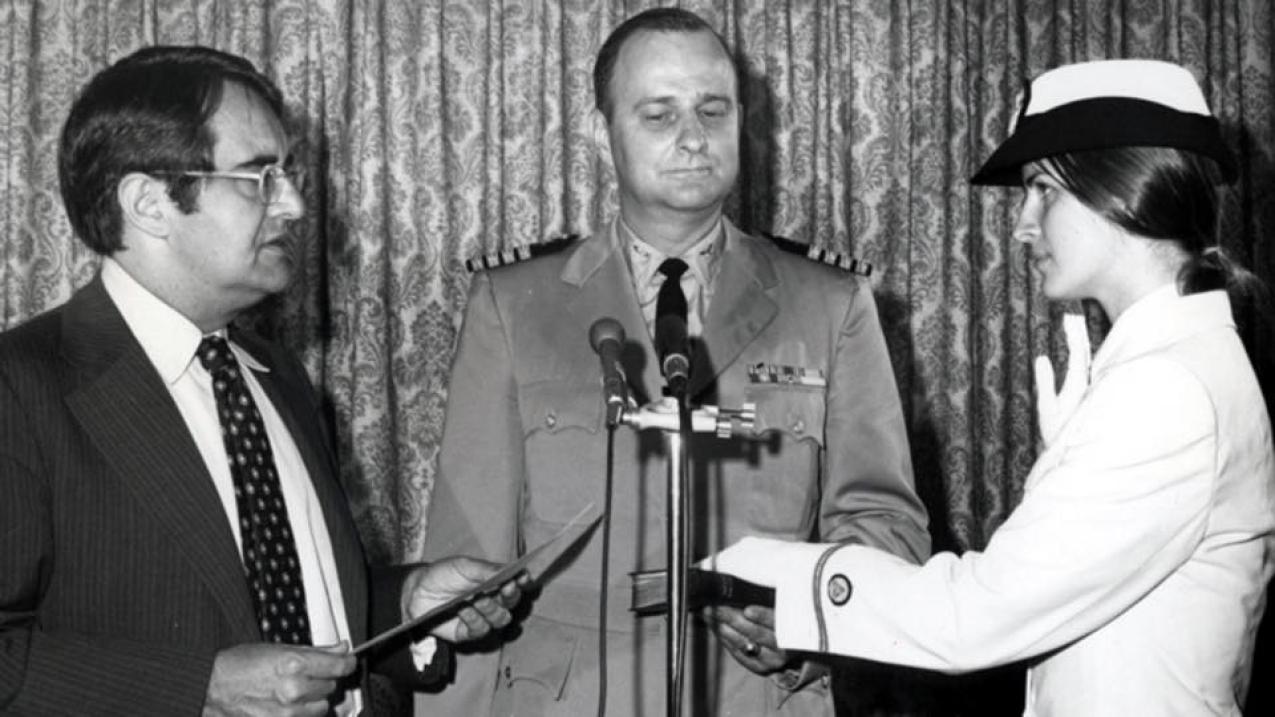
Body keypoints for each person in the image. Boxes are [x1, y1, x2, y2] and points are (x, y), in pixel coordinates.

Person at [707, 58, 1275, 715]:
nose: (1022, 225)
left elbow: (971, 617)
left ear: (1121, 183)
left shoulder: (1164, 389)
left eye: (1043, 189)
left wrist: (780, 572)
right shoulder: (1176, 362)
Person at [417, 7, 929, 716]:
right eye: (658, 115)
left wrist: (810, 625)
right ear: (602, 136)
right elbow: (465, 569)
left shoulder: (829, 303)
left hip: (759, 696)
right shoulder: (515, 305)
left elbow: (882, 522)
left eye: (712, 110)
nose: (692, 138)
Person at [0, 45, 526, 716]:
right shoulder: (20, 388)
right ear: (148, 202)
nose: (295, 204)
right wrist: (200, 689)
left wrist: (408, 603)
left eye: (289, 173)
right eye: (257, 176)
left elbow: (285, 601)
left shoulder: (275, 375)